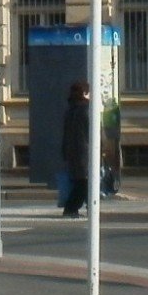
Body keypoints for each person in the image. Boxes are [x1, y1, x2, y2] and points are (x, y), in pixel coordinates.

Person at [60, 80, 92, 218]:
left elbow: (66, 133)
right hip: (85, 152)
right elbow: (94, 133)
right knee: (84, 183)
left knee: (82, 182)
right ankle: (71, 208)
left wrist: (65, 151)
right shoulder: (86, 110)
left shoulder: (71, 109)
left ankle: (88, 206)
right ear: (85, 93)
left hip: (73, 152)